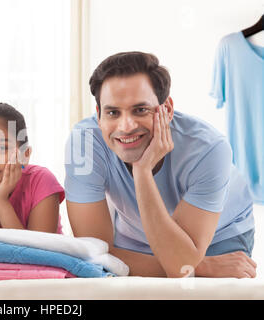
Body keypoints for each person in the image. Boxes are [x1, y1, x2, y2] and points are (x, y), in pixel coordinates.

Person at [65, 51, 257, 278]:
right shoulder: (83, 143)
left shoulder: (209, 149)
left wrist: (142, 170)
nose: (126, 126)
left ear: (167, 109)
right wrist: (201, 267)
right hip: (134, 236)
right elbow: (93, 253)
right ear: (99, 115)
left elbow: (181, 265)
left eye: (140, 110)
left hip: (219, 236)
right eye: (113, 112)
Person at [0, 102, 65, 233]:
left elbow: (37, 252)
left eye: (1, 148)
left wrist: (0, 200)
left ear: (25, 155)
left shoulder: (41, 181)